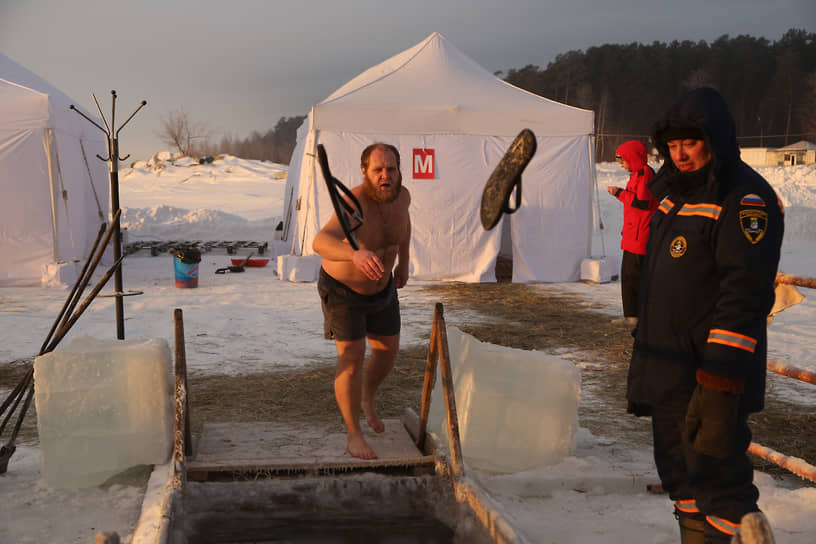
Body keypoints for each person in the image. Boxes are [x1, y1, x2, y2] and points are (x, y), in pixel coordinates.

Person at [627, 87, 783, 543]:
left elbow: (745, 293)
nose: (679, 156)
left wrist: (720, 380)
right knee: (682, 479)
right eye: (671, 147)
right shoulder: (675, 194)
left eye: (689, 145)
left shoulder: (744, 198)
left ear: (714, 138)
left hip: (709, 375)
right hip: (668, 368)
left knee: (721, 486)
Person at [313, 142, 411, 460]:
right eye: (378, 169)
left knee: (387, 350)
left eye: (391, 169)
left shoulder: (403, 197)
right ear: (365, 172)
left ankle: (368, 397)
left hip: (382, 288)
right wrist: (354, 253)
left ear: (399, 170)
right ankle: (354, 434)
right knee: (352, 358)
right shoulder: (353, 203)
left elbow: (404, 228)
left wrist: (405, 263)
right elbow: (321, 241)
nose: (386, 175)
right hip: (344, 291)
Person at [607, 140, 658, 325]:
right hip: (632, 236)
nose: (621, 164)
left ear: (632, 157)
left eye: (622, 160)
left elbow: (642, 202)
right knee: (628, 277)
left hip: (640, 237)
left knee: (634, 278)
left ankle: (638, 316)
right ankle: (632, 316)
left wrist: (619, 193)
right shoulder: (636, 174)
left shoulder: (645, 174)